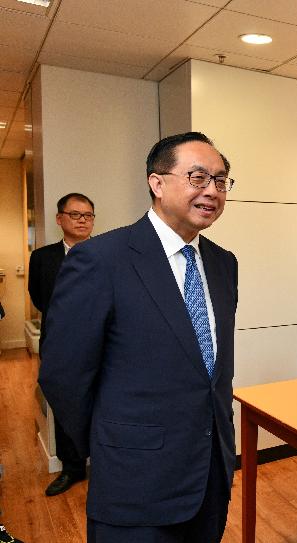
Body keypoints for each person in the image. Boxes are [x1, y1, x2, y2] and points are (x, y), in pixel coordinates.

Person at [38, 132, 238, 543]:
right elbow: (63, 374)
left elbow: (210, 374)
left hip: (210, 475)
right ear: (157, 183)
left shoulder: (223, 263)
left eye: (221, 181)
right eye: (198, 177)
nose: (212, 191)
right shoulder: (99, 260)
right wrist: (112, 445)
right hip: (135, 484)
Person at [28, 192, 95, 496]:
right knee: (65, 406)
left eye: (88, 216)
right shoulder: (43, 257)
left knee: (104, 404)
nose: (83, 221)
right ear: (60, 219)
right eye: (76, 215)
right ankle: (72, 468)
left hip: (101, 345)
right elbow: (39, 298)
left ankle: (106, 466)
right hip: (59, 345)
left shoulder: (107, 253)